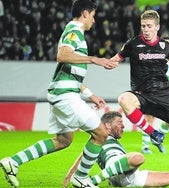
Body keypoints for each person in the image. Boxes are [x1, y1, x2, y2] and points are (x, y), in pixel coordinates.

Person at [0, 0, 116, 187]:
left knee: (63, 140)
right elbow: (62, 55)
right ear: (85, 13)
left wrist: (90, 95)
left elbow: (71, 73)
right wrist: (95, 59)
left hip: (64, 93)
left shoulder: (75, 32)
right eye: (93, 16)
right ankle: (80, 178)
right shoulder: (74, 31)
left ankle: (13, 161)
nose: (94, 21)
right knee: (101, 133)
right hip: (66, 96)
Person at [109, 9, 169, 177]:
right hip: (142, 95)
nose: (145, 30)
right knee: (124, 99)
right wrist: (99, 61)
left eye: (149, 26)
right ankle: (153, 133)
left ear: (157, 27)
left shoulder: (164, 46)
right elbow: (115, 58)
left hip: (163, 95)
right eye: (143, 26)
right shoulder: (133, 44)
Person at [63, 111, 169, 187]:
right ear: (106, 126)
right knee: (138, 158)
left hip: (127, 176)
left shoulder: (96, 142)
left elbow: (82, 157)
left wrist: (69, 177)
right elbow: (83, 154)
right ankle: (92, 183)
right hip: (116, 168)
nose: (123, 127)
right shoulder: (98, 136)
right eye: (119, 123)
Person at [142, 35, 169, 154]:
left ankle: (157, 139)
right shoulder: (152, 58)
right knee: (149, 118)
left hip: (166, 94)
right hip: (152, 92)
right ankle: (145, 146)